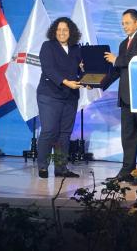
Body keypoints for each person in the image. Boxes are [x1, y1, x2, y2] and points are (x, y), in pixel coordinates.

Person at [104, 9, 137, 183]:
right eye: (123, 23)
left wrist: (116, 59)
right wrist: (98, 83)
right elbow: (117, 71)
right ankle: (127, 171)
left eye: (127, 23)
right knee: (128, 136)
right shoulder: (122, 44)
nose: (124, 26)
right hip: (126, 97)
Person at [36, 17, 84, 179]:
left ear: (71, 32)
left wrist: (88, 80)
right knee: (49, 131)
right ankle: (43, 166)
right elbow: (48, 69)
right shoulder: (48, 46)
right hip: (50, 95)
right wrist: (65, 82)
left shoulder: (77, 49)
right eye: (59, 30)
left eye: (65, 30)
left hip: (70, 97)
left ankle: (60, 168)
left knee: (64, 133)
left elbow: (83, 70)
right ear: (54, 32)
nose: (62, 33)